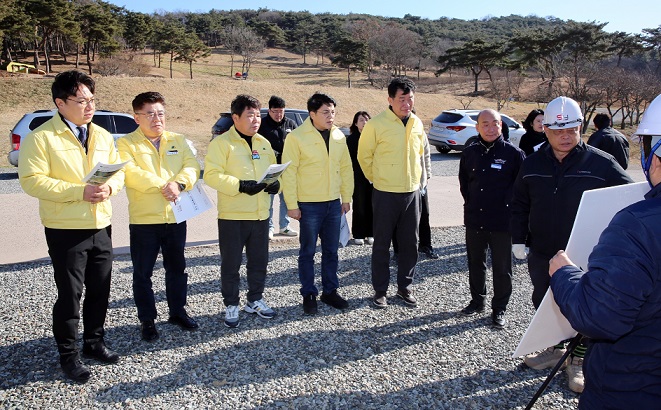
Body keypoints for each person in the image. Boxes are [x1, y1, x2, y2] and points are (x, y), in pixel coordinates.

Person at [510, 96, 633, 393]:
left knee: (583, 306)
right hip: (542, 251)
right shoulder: (532, 164)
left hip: (584, 253)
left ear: (580, 128)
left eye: (572, 130)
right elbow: (519, 203)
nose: (565, 136)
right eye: (558, 131)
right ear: (546, 130)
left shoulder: (601, 163)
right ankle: (555, 348)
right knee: (544, 300)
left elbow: (630, 198)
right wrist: (518, 240)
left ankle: (578, 359)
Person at [548, 93, 661, 408]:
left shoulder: (636, 227)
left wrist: (565, 275)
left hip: (633, 386)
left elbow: (599, 316)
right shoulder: (533, 162)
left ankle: (575, 359)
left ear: (654, 155)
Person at [18, 70, 124, 383]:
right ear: (60, 103)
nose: (89, 107)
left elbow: (118, 172)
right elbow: (32, 181)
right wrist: (79, 192)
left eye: (92, 100)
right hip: (65, 228)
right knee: (70, 295)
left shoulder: (102, 134)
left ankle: (94, 342)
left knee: (100, 289)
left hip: (100, 223)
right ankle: (68, 355)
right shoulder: (41, 137)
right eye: (81, 101)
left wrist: (110, 187)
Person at [117, 92, 200, 342]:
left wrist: (179, 184)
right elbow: (130, 172)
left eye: (161, 113)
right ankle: (147, 320)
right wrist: (164, 185)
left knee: (177, 269)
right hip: (145, 220)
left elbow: (192, 166)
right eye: (150, 114)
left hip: (176, 217)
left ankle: (177, 312)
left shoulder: (177, 139)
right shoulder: (126, 144)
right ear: (136, 117)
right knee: (143, 273)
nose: (157, 119)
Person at [204, 94, 279, 328]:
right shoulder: (221, 144)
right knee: (231, 264)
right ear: (235, 118)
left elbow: (272, 170)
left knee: (259, 262)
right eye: (250, 115)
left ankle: (255, 299)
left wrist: (276, 184)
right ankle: (231, 304)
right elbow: (211, 175)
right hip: (233, 216)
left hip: (260, 214)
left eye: (258, 115)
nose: (256, 120)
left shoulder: (263, 143)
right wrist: (240, 185)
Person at [281, 92, 354, 315]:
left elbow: (346, 168)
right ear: (312, 114)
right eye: (325, 112)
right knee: (308, 252)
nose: (330, 116)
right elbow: (289, 172)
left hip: (333, 203)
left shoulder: (339, 136)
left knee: (331, 251)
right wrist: (292, 204)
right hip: (309, 205)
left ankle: (330, 291)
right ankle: (309, 293)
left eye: (333, 112)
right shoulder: (296, 137)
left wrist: (346, 197)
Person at [358, 77, 426, 309]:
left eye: (410, 99)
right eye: (401, 99)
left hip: (411, 192)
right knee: (382, 244)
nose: (406, 104)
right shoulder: (376, 124)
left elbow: (420, 153)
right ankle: (380, 290)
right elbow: (364, 157)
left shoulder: (417, 122)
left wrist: (420, 181)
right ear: (390, 100)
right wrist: (378, 179)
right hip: (385, 193)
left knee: (410, 243)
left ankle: (405, 287)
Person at [458, 109, 525, 329]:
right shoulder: (470, 153)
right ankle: (477, 301)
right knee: (475, 263)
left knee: (502, 268)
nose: (490, 128)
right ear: (477, 127)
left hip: (502, 222)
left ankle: (499, 308)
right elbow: (464, 183)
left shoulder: (514, 154)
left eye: (494, 123)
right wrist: (472, 204)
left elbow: (521, 189)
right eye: (484, 124)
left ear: (501, 125)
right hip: (475, 218)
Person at [258, 95, 298, 239]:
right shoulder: (262, 125)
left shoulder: (290, 124)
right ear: (269, 111)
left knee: (286, 199)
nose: (278, 114)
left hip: (287, 168)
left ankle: (284, 226)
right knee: (268, 199)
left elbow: (297, 143)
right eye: (275, 111)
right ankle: (268, 227)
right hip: (269, 169)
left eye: (281, 111)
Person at [392, 133, 438, 260]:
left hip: (420, 183)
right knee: (399, 218)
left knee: (424, 215)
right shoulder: (394, 131)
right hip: (399, 185)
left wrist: (427, 174)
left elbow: (426, 154)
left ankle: (425, 245)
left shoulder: (419, 131)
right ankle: (398, 250)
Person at [346, 111, 373, 245]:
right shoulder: (351, 139)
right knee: (359, 205)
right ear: (356, 123)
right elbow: (349, 160)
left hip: (373, 177)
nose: (364, 122)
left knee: (372, 205)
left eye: (367, 119)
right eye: (361, 120)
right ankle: (358, 234)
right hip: (357, 177)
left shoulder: (373, 137)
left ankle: (371, 233)